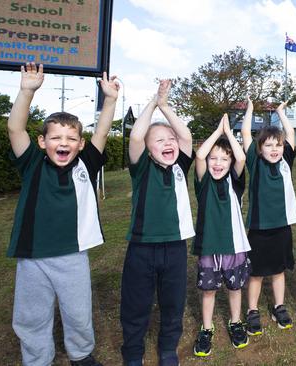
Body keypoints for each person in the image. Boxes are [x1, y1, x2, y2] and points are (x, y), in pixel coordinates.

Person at [6, 63, 118, 366]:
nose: (63, 143)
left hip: (72, 255)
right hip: (32, 256)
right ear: (42, 142)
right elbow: (15, 128)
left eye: (71, 139)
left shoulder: (87, 164)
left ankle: (81, 355)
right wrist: (27, 91)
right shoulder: (32, 164)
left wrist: (110, 100)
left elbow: (104, 131)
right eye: (55, 138)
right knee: (32, 315)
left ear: (80, 144)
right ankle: (37, 358)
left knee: (78, 311)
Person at [121, 80, 194, 366]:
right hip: (142, 246)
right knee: (136, 303)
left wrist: (166, 107)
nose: (168, 143)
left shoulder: (180, 166)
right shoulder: (142, 168)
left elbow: (186, 136)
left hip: (175, 247)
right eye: (160, 140)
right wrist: (153, 104)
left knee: (173, 302)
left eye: (170, 139)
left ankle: (167, 348)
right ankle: (133, 351)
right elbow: (136, 137)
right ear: (149, 150)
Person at [192, 114, 251, 356]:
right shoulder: (203, 181)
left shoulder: (234, 183)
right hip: (208, 246)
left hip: (234, 245)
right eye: (213, 158)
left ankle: (235, 322)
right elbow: (198, 155)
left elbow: (241, 157)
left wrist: (228, 133)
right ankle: (206, 329)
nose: (217, 163)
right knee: (208, 290)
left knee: (235, 288)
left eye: (223, 159)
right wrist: (218, 131)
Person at [240, 99, 296, 335]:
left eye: (278, 145)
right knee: (256, 273)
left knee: (278, 270)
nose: (274, 149)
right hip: (258, 228)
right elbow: (245, 132)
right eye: (268, 145)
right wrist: (250, 110)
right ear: (259, 148)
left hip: (281, 227)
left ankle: (279, 306)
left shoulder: (286, 161)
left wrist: (281, 113)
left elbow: (291, 132)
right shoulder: (254, 163)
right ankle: (252, 310)